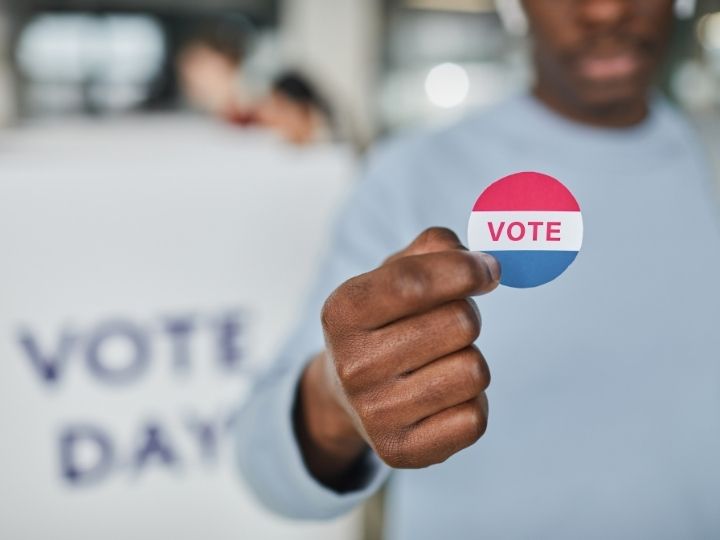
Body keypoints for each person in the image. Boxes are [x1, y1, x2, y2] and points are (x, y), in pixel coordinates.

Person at [236, 1, 720, 538]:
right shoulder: (410, 173)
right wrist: (334, 399)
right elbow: (263, 468)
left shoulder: (708, 158)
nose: (605, 11)